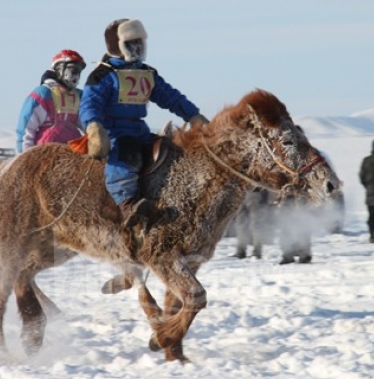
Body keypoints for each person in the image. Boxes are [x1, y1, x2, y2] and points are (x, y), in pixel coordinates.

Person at [79, 18, 208, 228]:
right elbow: (89, 104)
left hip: (139, 128)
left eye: (140, 43)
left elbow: (171, 97)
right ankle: (126, 203)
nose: (137, 49)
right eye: (131, 44)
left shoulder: (147, 73)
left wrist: (193, 116)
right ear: (117, 46)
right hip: (115, 130)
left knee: (166, 149)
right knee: (125, 156)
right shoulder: (104, 74)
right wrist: (94, 127)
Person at [16, 49, 87, 153]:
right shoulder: (43, 94)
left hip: (72, 153)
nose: (76, 75)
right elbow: (26, 129)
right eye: (72, 69)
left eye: (78, 71)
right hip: (45, 155)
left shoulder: (79, 96)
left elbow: (89, 124)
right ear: (59, 69)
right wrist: (25, 157)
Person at [233, 189, 273, 259]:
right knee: (240, 224)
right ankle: (240, 252)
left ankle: (257, 252)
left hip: (257, 192)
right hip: (241, 192)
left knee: (257, 225)